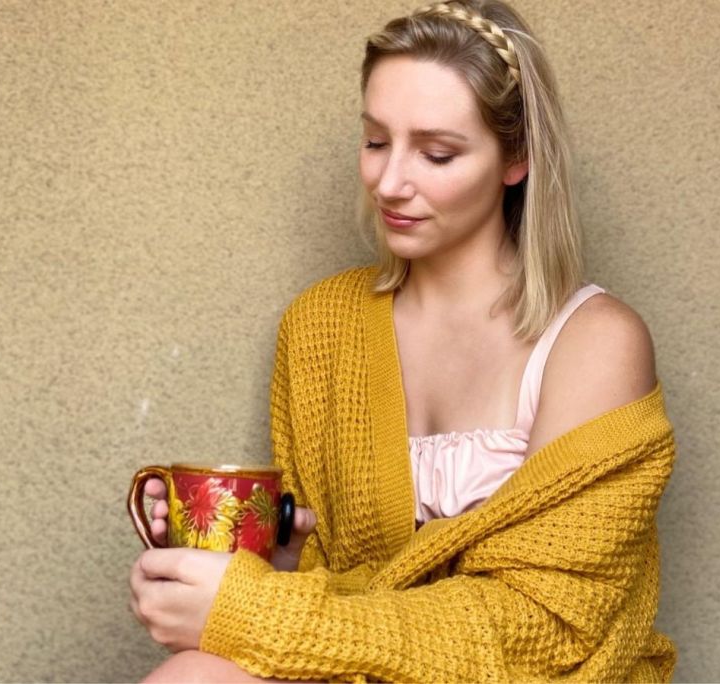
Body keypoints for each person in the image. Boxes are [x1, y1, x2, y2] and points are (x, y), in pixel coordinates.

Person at [129, 1, 677, 681]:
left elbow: (545, 630)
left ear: (516, 159)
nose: (389, 183)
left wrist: (253, 610)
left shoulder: (595, 343)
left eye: (437, 152)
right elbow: (334, 592)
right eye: (376, 141)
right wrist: (272, 568)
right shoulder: (320, 325)